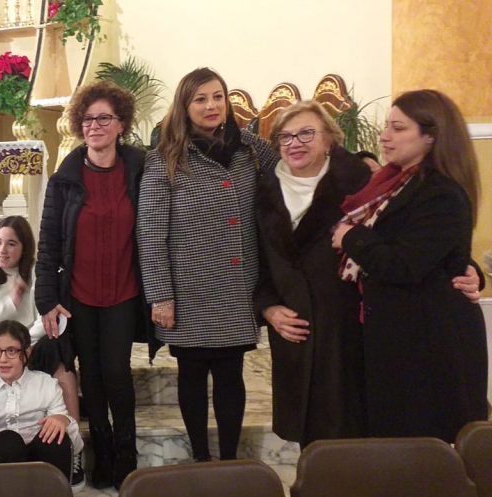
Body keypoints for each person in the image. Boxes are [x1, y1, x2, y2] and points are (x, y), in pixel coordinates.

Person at [137, 67, 280, 462]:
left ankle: (229, 460)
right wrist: (161, 296)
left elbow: (293, 174)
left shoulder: (252, 149)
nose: (211, 105)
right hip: (189, 292)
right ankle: (201, 459)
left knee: (231, 374)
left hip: (237, 287)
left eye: (218, 96)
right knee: (193, 376)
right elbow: (150, 232)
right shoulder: (165, 158)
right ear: (184, 106)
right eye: (200, 99)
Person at [331, 89, 487, 442]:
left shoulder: (440, 192)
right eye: (386, 126)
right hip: (397, 338)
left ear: (431, 136)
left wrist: (351, 237)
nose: (385, 136)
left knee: (425, 448)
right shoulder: (389, 185)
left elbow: (406, 264)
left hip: (430, 344)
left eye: (398, 128)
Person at [35, 80, 150, 489]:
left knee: (116, 371)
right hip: (79, 295)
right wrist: (46, 300)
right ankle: (102, 452)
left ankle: (127, 453)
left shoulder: (141, 170)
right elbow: (48, 243)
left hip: (123, 291)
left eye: (104, 119)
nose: (94, 126)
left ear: (121, 125)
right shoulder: (64, 178)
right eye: (87, 119)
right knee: (93, 376)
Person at [254, 101, 371, 446]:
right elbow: (257, 261)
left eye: (307, 133)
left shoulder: (359, 184)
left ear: (329, 139)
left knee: (351, 433)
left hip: (348, 329)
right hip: (295, 328)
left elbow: (397, 242)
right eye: (286, 136)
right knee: (309, 438)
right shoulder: (264, 190)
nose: (295, 143)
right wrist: (268, 308)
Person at [0, 216, 84, 487]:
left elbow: (46, 318)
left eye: (11, 244)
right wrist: (8, 306)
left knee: (58, 345)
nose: (2, 250)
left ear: (24, 247)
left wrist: (22, 344)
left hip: (32, 344)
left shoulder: (37, 272)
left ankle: (72, 445)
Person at [0, 321, 82, 487]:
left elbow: (72, 437)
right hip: (2, 460)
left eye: (11, 351)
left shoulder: (46, 384)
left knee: (56, 434)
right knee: (8, 441)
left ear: (27, 352)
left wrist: (63, 420)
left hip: (40, 457)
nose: (3, 359)